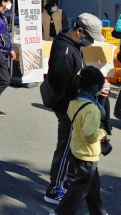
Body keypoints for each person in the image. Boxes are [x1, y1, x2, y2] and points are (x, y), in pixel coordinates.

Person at [44, 67, 119, 215]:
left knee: (92, 183)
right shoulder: (91, 109)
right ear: (95, 88)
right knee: (80, 188)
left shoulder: (75, 99)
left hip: (77, 149)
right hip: (88, 153)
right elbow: (90, 134)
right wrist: (103, 132)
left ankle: (99, 214)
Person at [43, 13, 105, 205]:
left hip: (72, 104)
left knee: (71, 146)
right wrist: (87, 89)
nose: (91, 41)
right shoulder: (65, 50)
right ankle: (54, 190)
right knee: (66, 148)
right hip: (67, 106)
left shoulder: (71, 44)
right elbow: (66, 85)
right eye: (89, 37)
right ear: (79, 31)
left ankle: (67, 182)